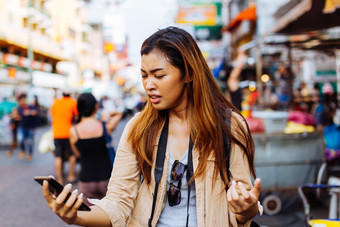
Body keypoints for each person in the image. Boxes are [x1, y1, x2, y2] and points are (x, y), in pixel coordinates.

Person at [41, 26, 261, 227]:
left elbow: (241, 209)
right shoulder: (138, 128)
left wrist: (247, 209)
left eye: (159, 75)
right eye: (144, 76)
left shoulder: (229, 126)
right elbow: (117, 204)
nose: (149, 85)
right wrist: (75, 216)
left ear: (189, 74)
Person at [69, 92, 122, 206]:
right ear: (95, 107)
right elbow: (119, 114)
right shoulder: (104, 127)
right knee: (109, 217)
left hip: (86, 180)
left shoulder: (74, 131)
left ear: (78, 109)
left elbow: (77, 154)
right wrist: (107, 113)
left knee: (90, 217)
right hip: (107, 180)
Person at [50, 91, 78, 185]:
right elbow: (76, 116)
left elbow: (53, 115)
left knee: (58, 155)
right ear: (70, 94)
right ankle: (71, 176)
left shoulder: (55, 102)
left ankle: (59, 179)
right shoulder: (72, 102)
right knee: (72, 154)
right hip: (68, 133)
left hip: (56, 133)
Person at [16, 93, 38, 161]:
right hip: (23, 126)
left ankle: (30, 154)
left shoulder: (30, 106)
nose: (22, 102)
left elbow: (35, 112)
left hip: (31, 127)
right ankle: (23, 150)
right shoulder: (19, 108)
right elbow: (18, 117)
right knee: (21, 139)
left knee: (30, 142)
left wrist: (28, 112)